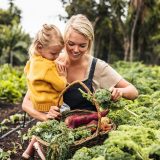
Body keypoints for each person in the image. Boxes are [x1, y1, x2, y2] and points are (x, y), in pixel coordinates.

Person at [22, 14, 138, 121]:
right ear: (64, 41)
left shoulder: (97, 67)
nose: (76, 50)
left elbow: (133, 91)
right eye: (71, 44)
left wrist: (120, 92)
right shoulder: (52, 63)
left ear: (89, 43)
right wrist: (46, 117)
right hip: (57, 134)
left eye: (82, 45)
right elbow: (26, 102)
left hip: (89, 131)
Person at [22, 24, 67, 159]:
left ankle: (27, 152)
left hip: (38, 104)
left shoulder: (33, 61)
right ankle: (43, 155)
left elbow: (28, 74)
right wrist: (63, 77)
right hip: (51, 106)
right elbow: (60, 86)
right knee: (50, 134)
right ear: (40, 47)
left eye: (59, 53)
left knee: (42, 129)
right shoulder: (49, 66)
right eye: (54, 53)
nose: (56, 57)